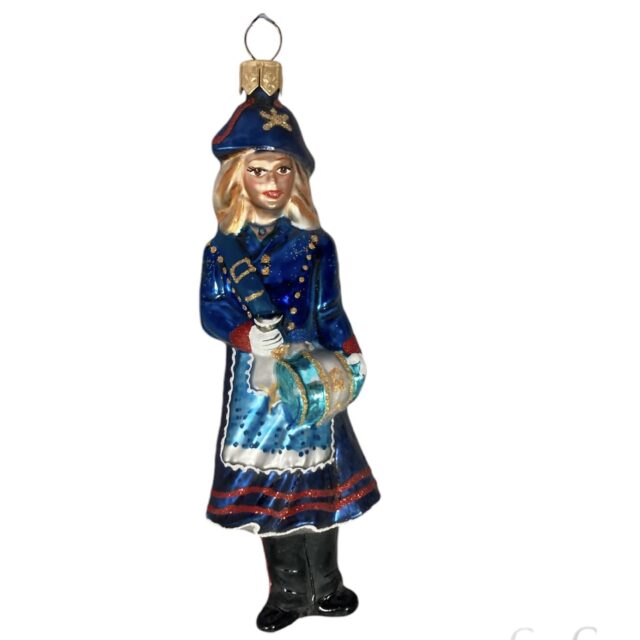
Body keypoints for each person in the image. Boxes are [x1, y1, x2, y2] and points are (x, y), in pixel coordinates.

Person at [200, 60, 380, 632]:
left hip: (313, 373)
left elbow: (329, 309)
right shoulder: (221, 250)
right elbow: (212, 310)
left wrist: (350, 351)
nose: (272, 182)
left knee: (320, 481)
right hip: (259, 384)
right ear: (238, 177)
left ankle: (327, 583)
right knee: (271, 485)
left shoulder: (317, 244)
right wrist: (245, 334)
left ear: (297, 176)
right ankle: (287, 590)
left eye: (283, 169)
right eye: (259, 170)